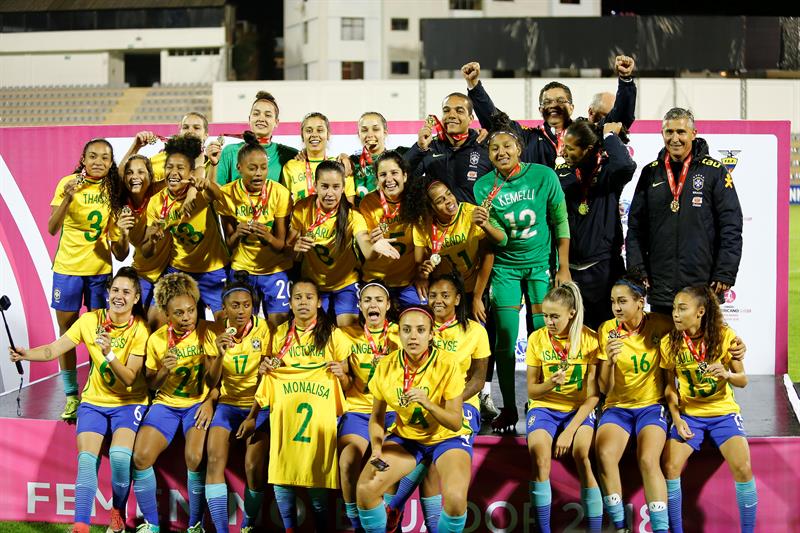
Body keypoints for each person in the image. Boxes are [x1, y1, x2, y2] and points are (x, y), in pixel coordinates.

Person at [10, 268, 149, 533]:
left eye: (126, 292)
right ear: (108, 293)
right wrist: (26, 354)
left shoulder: (140, 330)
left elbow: (129, 378)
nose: (119, 296)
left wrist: (108, 354)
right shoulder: (90, 321)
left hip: (128, 403)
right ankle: (80, 526)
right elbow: (54, 349)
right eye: (115, 290)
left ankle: (117, 512)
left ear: (136, 299)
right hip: (95, 401)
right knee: (86, 461)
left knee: (120, 458)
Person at [472, 114, 570, 433]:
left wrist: (563, 266)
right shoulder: (484, 187)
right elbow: (499, 238)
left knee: (545, 334)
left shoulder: (543, 176)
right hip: (505, 270)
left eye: (507, 146)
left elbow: (560, 222)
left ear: (519, 148)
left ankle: (542, 402)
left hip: (541, 266)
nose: (501, 151)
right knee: (504, 338)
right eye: (494, 148)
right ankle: (510, 408)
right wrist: (486, 224)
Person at [383, 273, 490, 530]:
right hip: (415, 404)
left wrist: (446, 403)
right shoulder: (413, 328)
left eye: (444, 295)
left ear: (456, 298)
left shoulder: (475, 331)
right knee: (427, 455)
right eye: (432, 295)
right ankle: (418, 520)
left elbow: (477, 380)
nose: (438, 300)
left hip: (461, 405)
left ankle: (395, 505)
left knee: (434, 444)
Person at [356, 306, 472, 533]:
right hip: (408, 438)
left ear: (431, 334)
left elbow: (455, 422)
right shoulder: (386, 366)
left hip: (447, 438)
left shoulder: (448, 364)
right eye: (407, 330)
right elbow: (377, 417)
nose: (413, 336)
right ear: (399, 334)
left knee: (456, 500)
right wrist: (377, 449)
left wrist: (427, 402)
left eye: (420, 330)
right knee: (365, 489)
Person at [251, 278, 350, 532]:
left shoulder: (334, 335)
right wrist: (265, 369)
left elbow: (348, 384)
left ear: (318, 302)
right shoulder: (280, 333)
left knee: (317, 478)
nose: (303, 302)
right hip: (286, 418)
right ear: (290, 302)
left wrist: (341, 375)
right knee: (282, 476)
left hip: (320, 420)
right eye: (298, 297)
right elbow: (268, 374)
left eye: (309, 297)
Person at [625, 108, 744, 315]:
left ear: (693, 134)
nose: (675, 138)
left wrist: (725, 272)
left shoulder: (714, 171)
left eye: (681, 132)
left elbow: (731, 226)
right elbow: (635, 228)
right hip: (660, 284)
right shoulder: (650, 173)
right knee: (662, 347)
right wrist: (637, 270)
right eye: (669, 132)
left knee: (701, 347)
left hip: (702, 285)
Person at [660, 286, 757, 533]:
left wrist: (726, 374)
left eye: (682, 309)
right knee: (670, 467)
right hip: (690, 416)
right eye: (674, 309)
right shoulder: (669, 342)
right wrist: (676, 417)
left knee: (744, 468)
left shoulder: (725, 336)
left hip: (723, 413)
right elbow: (670, 388)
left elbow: (743, 379)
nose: (676, 314)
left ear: (701, 311)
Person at [131, 273, 217, 533]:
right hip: (166, 405)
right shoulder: (157, 339)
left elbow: (215, 381)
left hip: (196, 404)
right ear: (167, 315)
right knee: (141, 457)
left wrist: (210, 402)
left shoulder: (207, 332)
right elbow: (151, 385)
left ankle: (195, 525)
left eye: (191, 311)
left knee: (194, 457)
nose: (186, 317)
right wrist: (163, 372)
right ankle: (152, 525)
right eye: (178, 313)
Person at [48, 138, 120, 420]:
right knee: (67, 333)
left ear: (111, 162)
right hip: (67, 269)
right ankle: (70, 395)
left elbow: (118, 240)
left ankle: (94, 389)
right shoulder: (67, 183)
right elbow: (52, 228)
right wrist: (67, 196)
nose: (98, 162)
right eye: (93, 156)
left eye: (105, 157)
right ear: (83, 158)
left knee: (98, 333)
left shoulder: (113, 188)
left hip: (100, 271)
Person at [595, 276, 673, 533]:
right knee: (605, 455)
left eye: (622, 301)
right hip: (617, 407)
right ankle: (620, 527)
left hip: (652, 406)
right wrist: (608, 360)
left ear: (640, 302)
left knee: (648, 459)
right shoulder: (607, 330)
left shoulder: (661, 325)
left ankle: (661, 529)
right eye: (613, 302)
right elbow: (604, 388)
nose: (616, 307)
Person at [525, 282, 602, 533]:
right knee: (539, 458)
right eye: (546, 315)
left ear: (571, 313)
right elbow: (531, 391)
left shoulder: (590, 340)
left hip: (578, 409)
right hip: (544, 407)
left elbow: (593, 396)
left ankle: (594, 528)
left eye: (554, 316)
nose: (548, 321)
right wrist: (549, 384)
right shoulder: (537, 339)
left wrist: (569, 430)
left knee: (583, 456)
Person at [462, 57, 636, 167]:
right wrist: (475, 86)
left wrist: (626, 81)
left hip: (579, 215)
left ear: (572, 108)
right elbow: (495, 122)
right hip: (541, 219)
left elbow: (619, 121)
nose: (554, 105)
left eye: (561, 101)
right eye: (547, 102)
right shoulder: (527, 137)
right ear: (540, 110)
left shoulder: (587, 132)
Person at [288, 160, 399, 326]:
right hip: (314, 285)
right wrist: (294, 248)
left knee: (347, 332)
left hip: (346, 283)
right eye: (324, 186)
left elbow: (367, 251)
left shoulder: (353, 216)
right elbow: (288, 252)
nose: (330, 193)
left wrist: (375, 248)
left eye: (336, 187)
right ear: (315, 185)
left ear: (343, 187)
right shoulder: (302, 208)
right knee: (316, 332)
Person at [203, 276, 271, 533]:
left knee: (253, 466)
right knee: (214, 459)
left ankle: (248, 524)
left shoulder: (263, 329)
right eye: (235, 306)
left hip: (258, 405)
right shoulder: (215, 331)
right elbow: (211, 380)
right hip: (228, 405)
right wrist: (219, 355)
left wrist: (253, 415)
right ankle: (221, 529)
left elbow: (267, 377)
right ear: (224, 307)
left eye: (246, 305)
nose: (241, 311)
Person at [205, 130, 293, 326]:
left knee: (278, 324)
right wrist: (238, 232)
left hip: (275, 269)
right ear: (239, 168)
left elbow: (281, 244)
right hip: (241, 269)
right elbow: (228, 243)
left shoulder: (279, 193)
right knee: (240, 325)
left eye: (263, 168)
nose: (259, 173)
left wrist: (267, 237)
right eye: (252, 168)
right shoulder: (227, 193)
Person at [558, 119, 636, 329]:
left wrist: (609, 136)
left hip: (603, 269)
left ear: (588, 149)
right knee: (575, 339)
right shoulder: (562, 174)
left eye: (570, 148)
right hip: (571, 271)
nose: (564, 152)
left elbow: (626, 165)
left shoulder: (609, 174)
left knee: (608, 333)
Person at [141, 135, 230, 320]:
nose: (173, 172)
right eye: (169, 167)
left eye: (180, 168)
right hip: (178, 269)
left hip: (212, 270)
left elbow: (218, 195)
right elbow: (147, 252)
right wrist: (151, 239)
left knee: (224, 323)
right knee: (155, 319)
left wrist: (207, 183)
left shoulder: (199, 192)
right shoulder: (156, 202)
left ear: (191, 173)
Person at [336, 281, 401, 532]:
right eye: (367, 300)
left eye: (378, 300)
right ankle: (356, 524)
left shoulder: (400, 333)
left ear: (387, 305)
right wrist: (340, 374)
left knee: (390, 462)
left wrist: (393, 361)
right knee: (347, 461)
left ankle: (388, 521)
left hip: (392, 410)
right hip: (359, 411)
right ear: (360, 306)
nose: (373, 304)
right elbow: (343, 379)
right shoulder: (345, 334)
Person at [109, 155, 170, 330]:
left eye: (141, 172)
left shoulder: (161, 193)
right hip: (142, 271)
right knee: (137, 327)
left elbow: (188, 172)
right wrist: (123, 234)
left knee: (156, 325)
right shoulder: (119, 209)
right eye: (130, 173)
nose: (135, 176)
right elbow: (120, 256)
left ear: (151, 177)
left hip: (166, 271)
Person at [403, 92, 493, 204]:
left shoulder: (485, 145)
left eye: (459, 111)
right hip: (439, 220)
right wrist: (419, 147)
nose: (451, 115)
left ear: (470, 119)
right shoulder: (429, 147)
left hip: (474, 219)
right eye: (446, 110)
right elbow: (402, 174)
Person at [359, 151, 421, 307]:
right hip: (376, 280)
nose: (389, 179)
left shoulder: (417, 199)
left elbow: (423, 242)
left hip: (408, 281)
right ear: (377, 179)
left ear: (404, 176)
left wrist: (422, 275)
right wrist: (373, 244)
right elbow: (366, 248)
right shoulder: (368, 203)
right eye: (383, 175)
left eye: (394, 173)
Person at [212, 91, 299, 185]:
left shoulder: (288, 154)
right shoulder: (230, 152)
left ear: (276, 122)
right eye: (256, 114)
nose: (261, 119)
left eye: (268, 115)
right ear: (249, 119)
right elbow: (216, 191)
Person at [282, 112, 356, 203]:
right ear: (302, 135)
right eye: (309, 131)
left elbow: (350, 207)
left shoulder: (341, 166)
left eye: (320, 130)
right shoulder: (290, 166)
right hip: (301, 216)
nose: (314, 135)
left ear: (328, 135)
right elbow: (284, 205)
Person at [123, 111, 211, 182]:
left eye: (196, 128)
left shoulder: (213, 164)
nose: (190, 131)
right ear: (180, 133)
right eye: (185, 127)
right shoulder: (162, 158)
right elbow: (123, 176)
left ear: (206, 135)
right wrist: (136, 146)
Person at [346, 111, 409, 203]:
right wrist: (342, 157)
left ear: (385, 132)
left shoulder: (399, 157)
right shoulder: (352, 162)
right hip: (363, 215)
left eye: (375, 129)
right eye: (364, 130)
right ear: (359, 135)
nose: (370, 135)